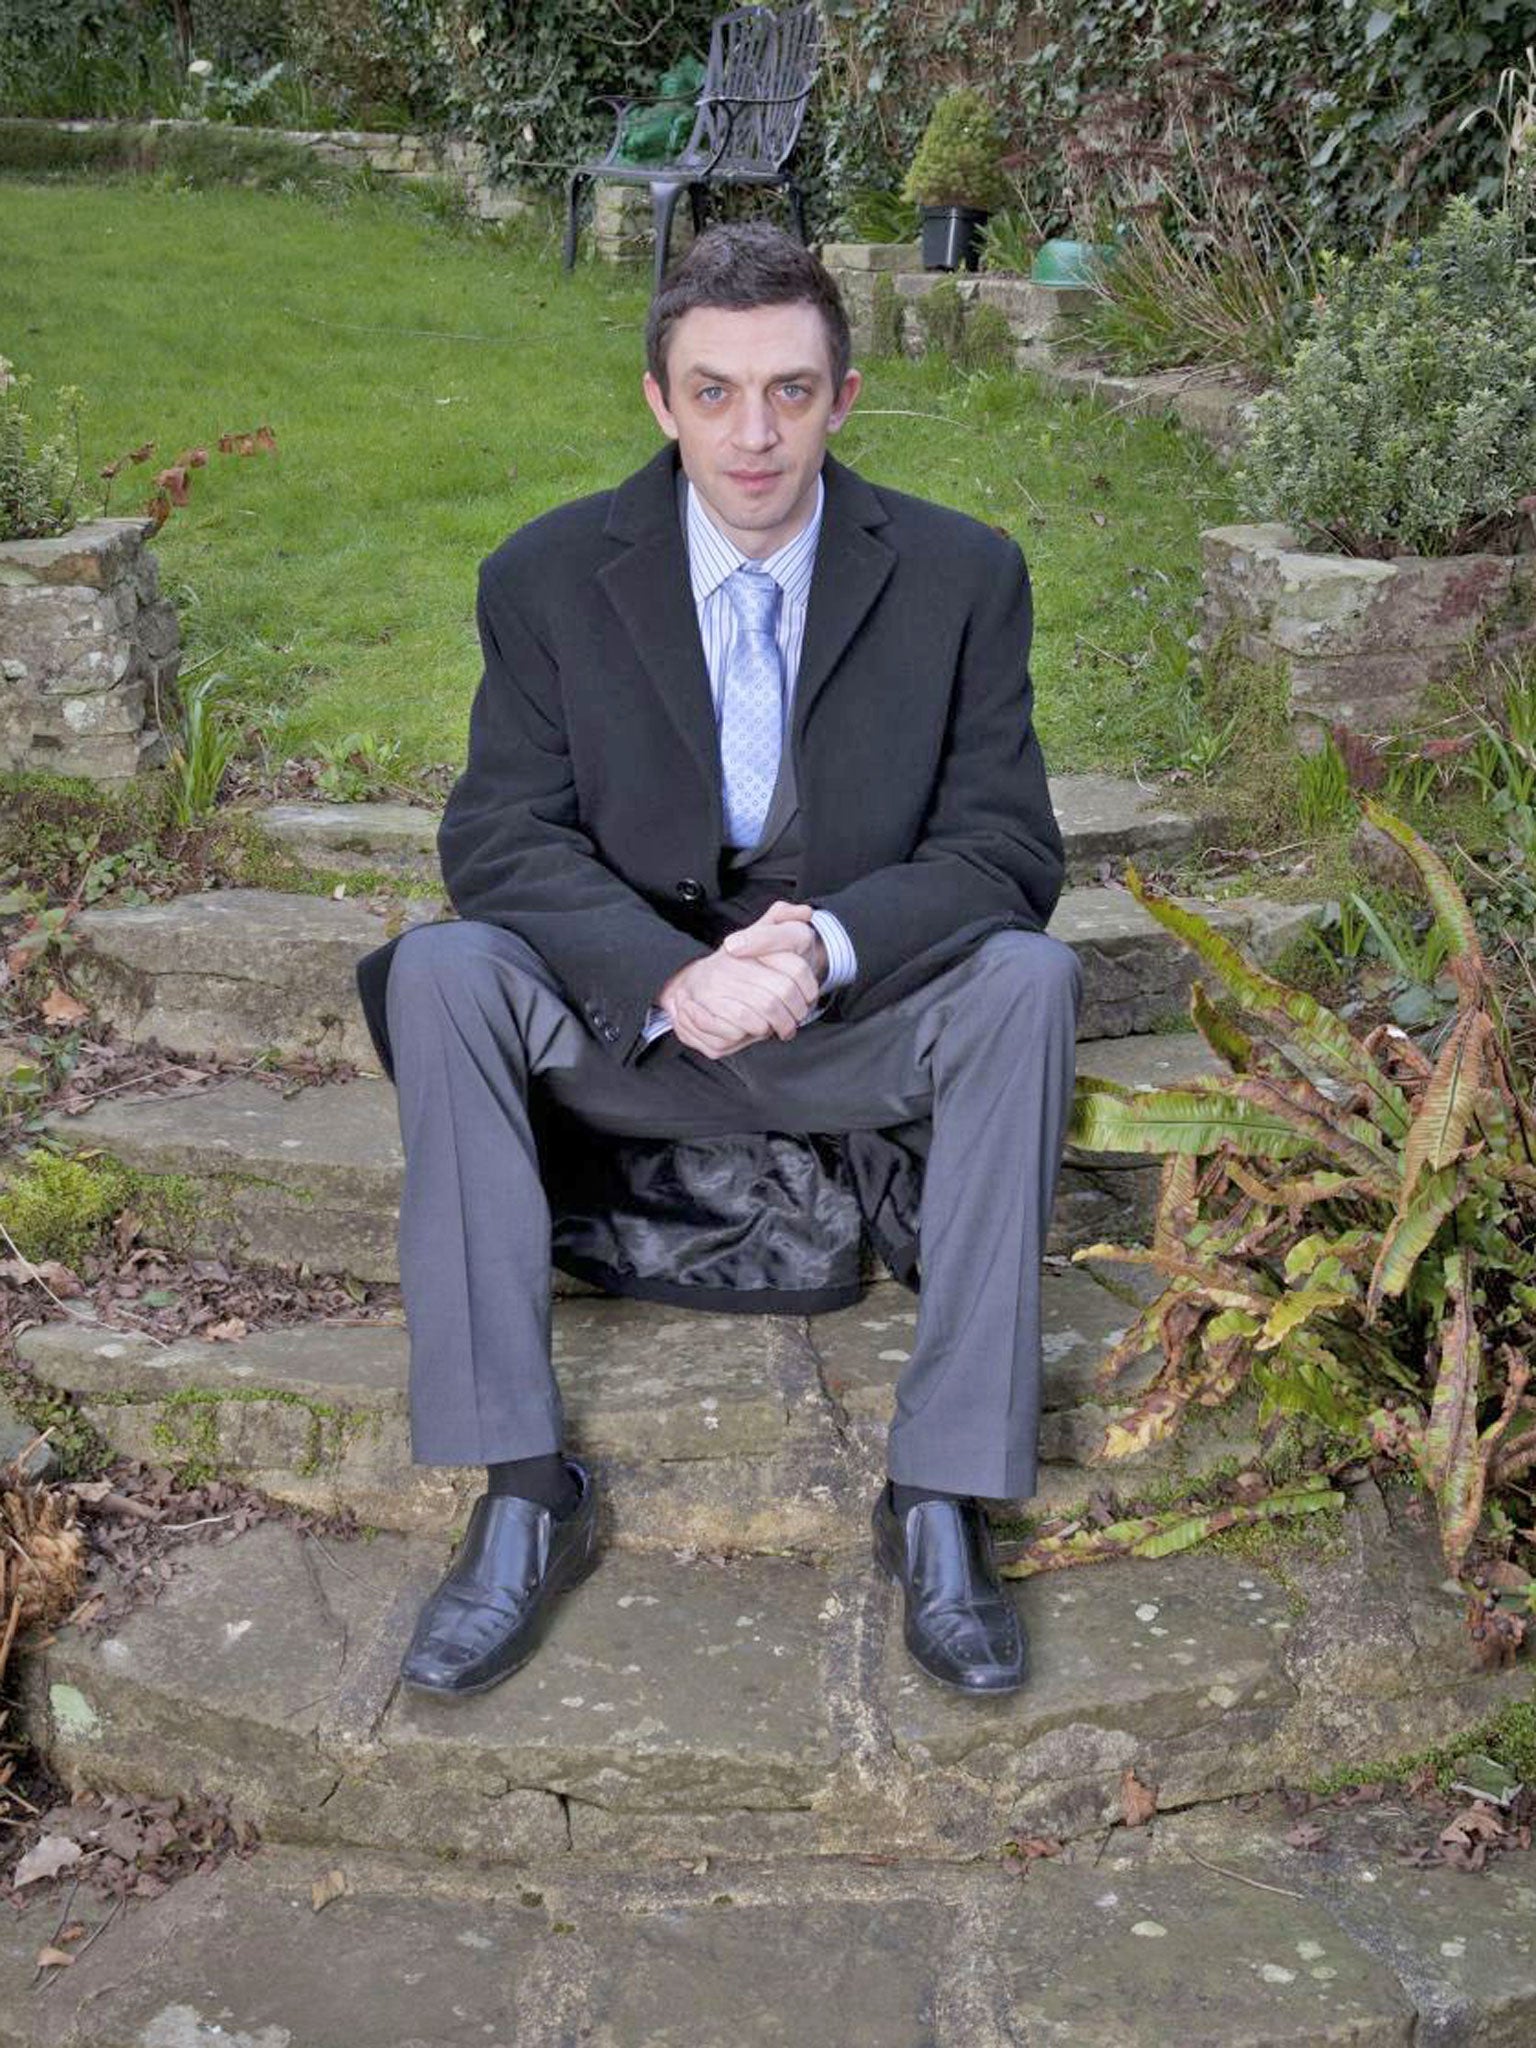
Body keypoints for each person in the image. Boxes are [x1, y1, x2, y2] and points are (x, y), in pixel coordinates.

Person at [354, 221, 1081, 1703]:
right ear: (659, 400)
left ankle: (941, 1494)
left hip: (848, 1026)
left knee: (1028, 981)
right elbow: (499, 836)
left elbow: (1005, 848)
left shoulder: (961, 575)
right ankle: (521, 1490)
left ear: (844, 397)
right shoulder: (546, 576)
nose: (755, 435)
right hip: (635, 1038)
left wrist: (824, 939)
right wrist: (669, 976)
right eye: (715, 392)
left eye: (791, 391)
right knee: (442, 972)